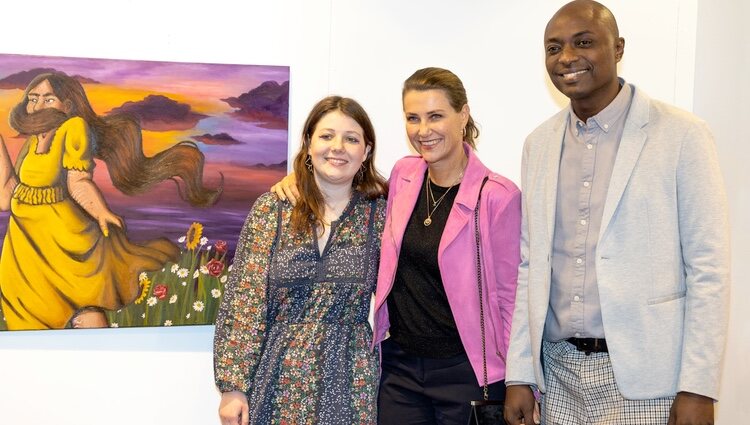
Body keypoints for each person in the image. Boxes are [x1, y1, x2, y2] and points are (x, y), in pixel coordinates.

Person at [503, 2, 730, 424]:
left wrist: (698, 387)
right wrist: (520, 372)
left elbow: (708, 269)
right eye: (554, 48)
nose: (567, 57)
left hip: (648, 377)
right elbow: (530, 263)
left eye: (584, 42)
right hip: (559, 373)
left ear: (618, 47)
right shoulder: (539, 143)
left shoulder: (682, 135)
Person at [273, 68, 521, 424]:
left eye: (436, 116)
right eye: (413, 118)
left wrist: (521, 380)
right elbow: (349, 186)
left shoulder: (497, 196)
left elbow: (511, 298)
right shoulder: (404, 176)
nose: (423, 130)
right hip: (399, 370)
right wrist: (301, 175)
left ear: (463, 115)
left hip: (466, 372)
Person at [213, 96, 387, 425]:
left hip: (352, 381)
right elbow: (245, 301)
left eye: (351, 139)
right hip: (276, 379)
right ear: (308, 144)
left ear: (365, 152)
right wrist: (233, 388)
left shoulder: (382, 215)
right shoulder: (271, 210)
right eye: (326, 136)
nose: (338, 147)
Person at [0, 72, 220, 330]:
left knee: (84, 314)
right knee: (27, 318)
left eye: (48, 99)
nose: (36, 106)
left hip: (61, 241)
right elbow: (8, 195)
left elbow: (78, 182)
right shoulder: (31, 142)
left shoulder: (72, 128)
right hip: (24, 244)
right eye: (32, 99)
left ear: (66, 105)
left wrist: (101, 211)